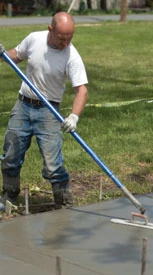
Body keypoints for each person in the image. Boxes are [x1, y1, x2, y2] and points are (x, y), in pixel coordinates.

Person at [0, 12, 88, 211]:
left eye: (69, 38)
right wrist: (4, 54)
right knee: (11, 154)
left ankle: (63, 200)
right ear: (50, 29)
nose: (65, 43)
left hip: (49, 111)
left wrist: (74, 116)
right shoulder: (34, 39)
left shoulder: (71, 55)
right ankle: (9, 194)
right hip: (23, 106)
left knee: (52, 162)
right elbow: (17, 56)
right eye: (61, 38)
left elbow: (81, 90)